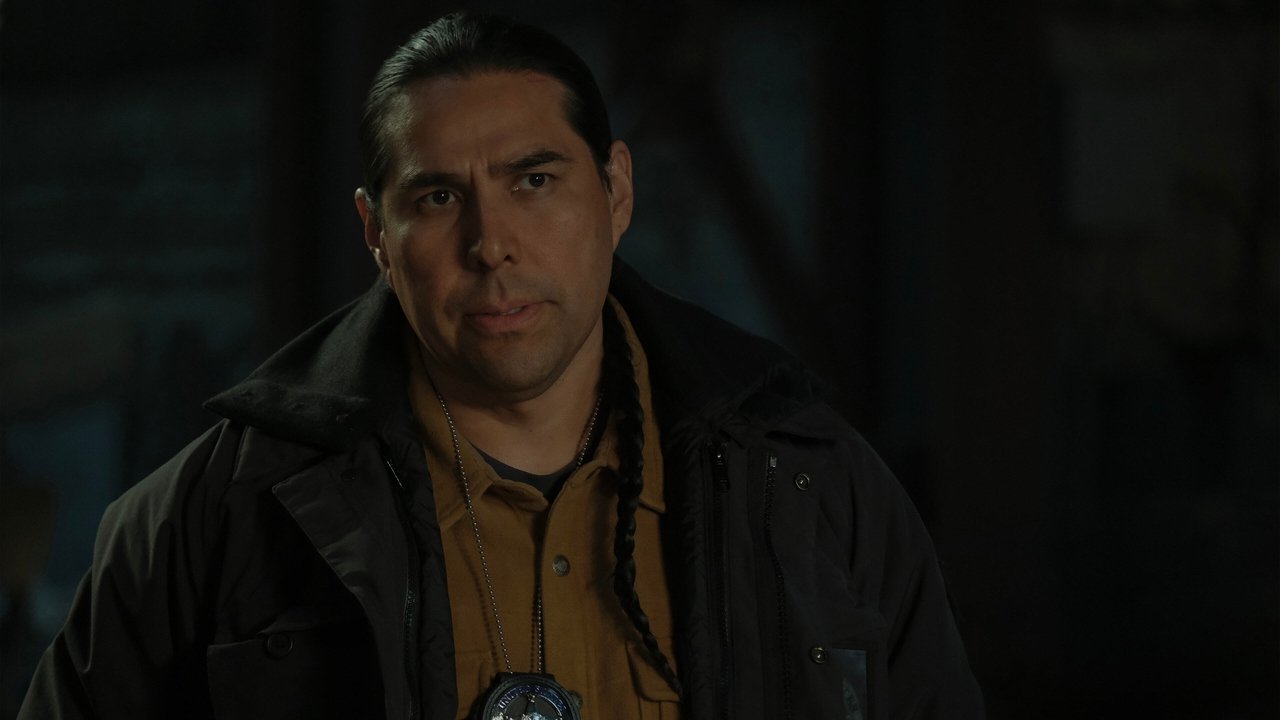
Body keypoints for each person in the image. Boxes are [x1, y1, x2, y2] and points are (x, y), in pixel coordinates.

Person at [19, 11, 984, 720]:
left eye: (534, 180)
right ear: (376, 234)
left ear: (615, 192)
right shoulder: (211, 517)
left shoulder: (813, 487)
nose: (492, 244)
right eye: (438, 198)